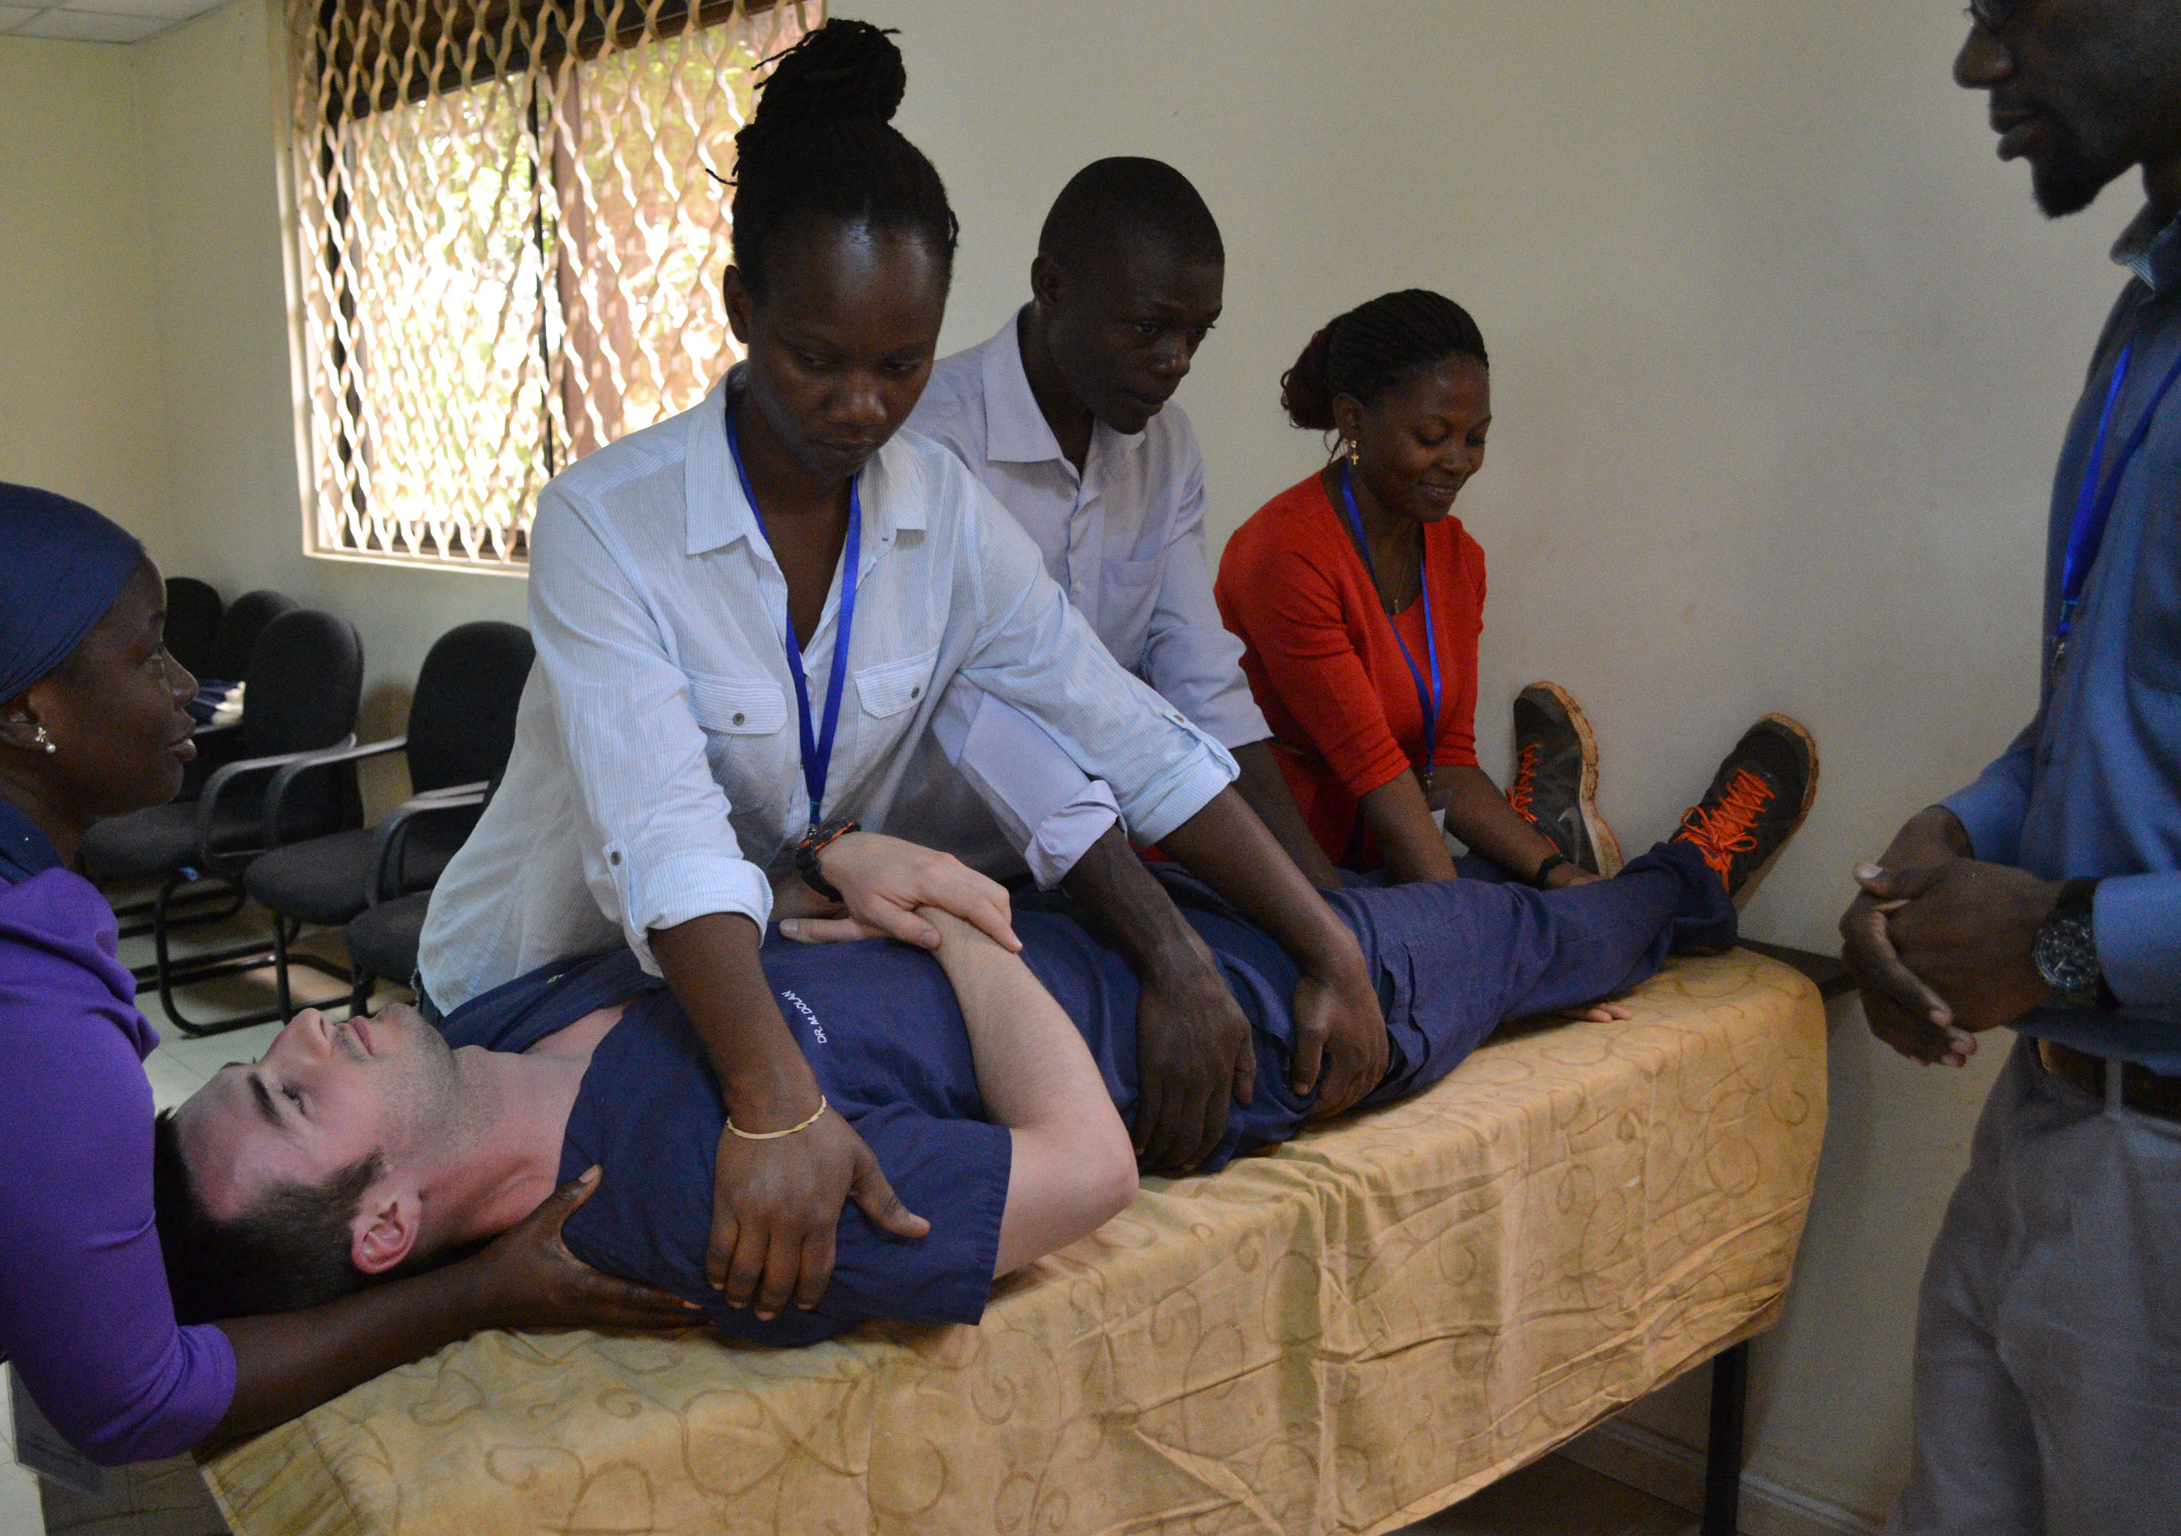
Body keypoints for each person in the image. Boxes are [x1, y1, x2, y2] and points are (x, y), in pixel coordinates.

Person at [418, 21, 1388, 1324]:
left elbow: (1129, 730)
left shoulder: (936, 514)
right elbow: (667, 839)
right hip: (543, 982)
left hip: (739, 959)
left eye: (902, 364)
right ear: (742, 312)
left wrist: (1332, 947)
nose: (864, 408)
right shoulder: (610, 521)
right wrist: (773, 1107)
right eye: (820, 359)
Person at [154, 724, 1816, 1344]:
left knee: (1352, 833)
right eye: (290, 1110)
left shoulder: (506, 1009)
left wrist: (842, 862)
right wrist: (951, 921)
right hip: (1215, 1031)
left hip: (1109, 913)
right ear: (383, 1222)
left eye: (255, 1064)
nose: (304, 1046)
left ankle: (1547, 841)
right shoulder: (681, 1204)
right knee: (1504, 939)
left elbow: (732, 889)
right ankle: (1681, 882)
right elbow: (1084, 1170)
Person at [0, 479, 692, 1472]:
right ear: (20, 710)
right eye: (147, 654)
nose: (185, 684)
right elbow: (130, 1404)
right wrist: (478, 1293)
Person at [1840, 4, 2181, 1531]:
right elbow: (2111, 697)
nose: (1980, 65)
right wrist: (1949, 835)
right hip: (2053, 1115)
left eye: (2014, 10)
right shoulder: (2148, 318)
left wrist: (2045, 935)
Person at [897, 155, 1336, 886]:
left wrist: (1324, 898)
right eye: (1147, 328)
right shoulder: (931, 445)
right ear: (1052, 288)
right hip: (932, 866)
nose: (1177, 361)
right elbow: (978, 711)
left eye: (1198, 334)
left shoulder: (1167, 448)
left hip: (1094, 873)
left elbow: (1200, 680)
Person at [1218, 291, 1708, 891]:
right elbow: (1373, 766)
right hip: (1269, 875)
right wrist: (1459, 921)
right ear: (1353, 420)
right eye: (1431, 436)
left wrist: (1557, 876)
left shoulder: (1458, 559)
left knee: (1616, 905)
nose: (1458, 462)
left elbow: (1445, 761)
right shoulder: (1285, 553)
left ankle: (1610, 863)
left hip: (1382, 865)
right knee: (1512, 931)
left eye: (1475, 438)